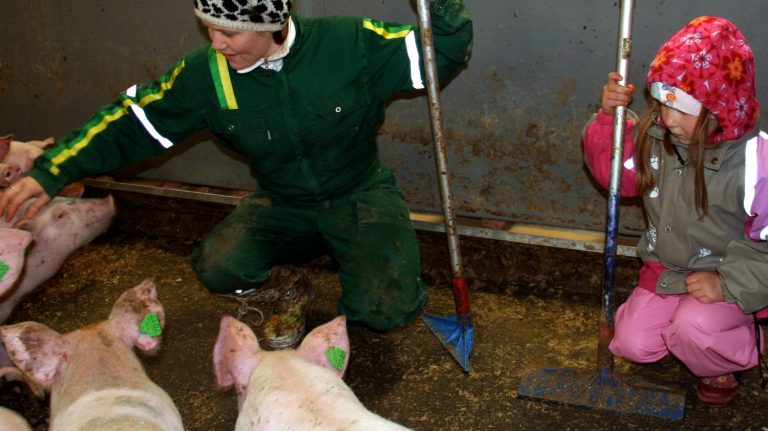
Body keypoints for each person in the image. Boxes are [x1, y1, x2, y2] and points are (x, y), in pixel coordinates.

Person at [0, 0, 473, 349]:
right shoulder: (207, 73)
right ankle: (288, 284)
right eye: (209, 28)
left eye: (229, 32)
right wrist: (53, 169)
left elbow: (441, 49)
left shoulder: (349, 43)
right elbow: (133, 121)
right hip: (282, 202)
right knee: (218, 266)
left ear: (272, 24)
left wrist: (442, 5)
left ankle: (360, 286)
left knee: (384, 310)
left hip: (359, 193)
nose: (216, 42)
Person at [583, 16, 768, 406]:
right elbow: (617, 178)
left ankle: (734, 348)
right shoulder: (657, 137)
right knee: (631, 343)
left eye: (682, 109)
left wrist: (728, 284)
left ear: (720, 106)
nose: (668, 120)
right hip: (667, 272)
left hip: (727, 277)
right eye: (663, 103)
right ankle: (689, 335)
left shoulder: (755, 162)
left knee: (694, 328)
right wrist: (610, 120)